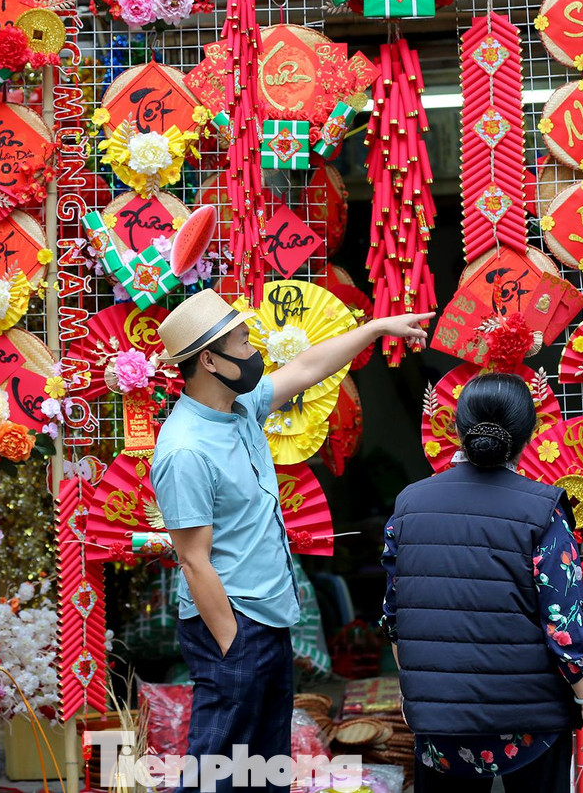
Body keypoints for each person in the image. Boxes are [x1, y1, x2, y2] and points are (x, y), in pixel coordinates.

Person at [154, 289, 430, 793]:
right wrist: (232, 646)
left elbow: (306, 367)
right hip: (233, 623)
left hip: (267, 617)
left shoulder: (240, 408)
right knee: (216, 771)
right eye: (242, 342)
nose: (252, 350)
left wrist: (374, 329)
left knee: (264, 770)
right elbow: (194, 562)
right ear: (209, 360)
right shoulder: (185, 450)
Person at [381, 373, 583, 793]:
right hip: (530, 723)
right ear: (529, 431)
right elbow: (565, 625)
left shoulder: (408, 504)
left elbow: (396, 616)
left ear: (457, 427)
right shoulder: (544, 509)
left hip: (440, 722)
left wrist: (415, 690)